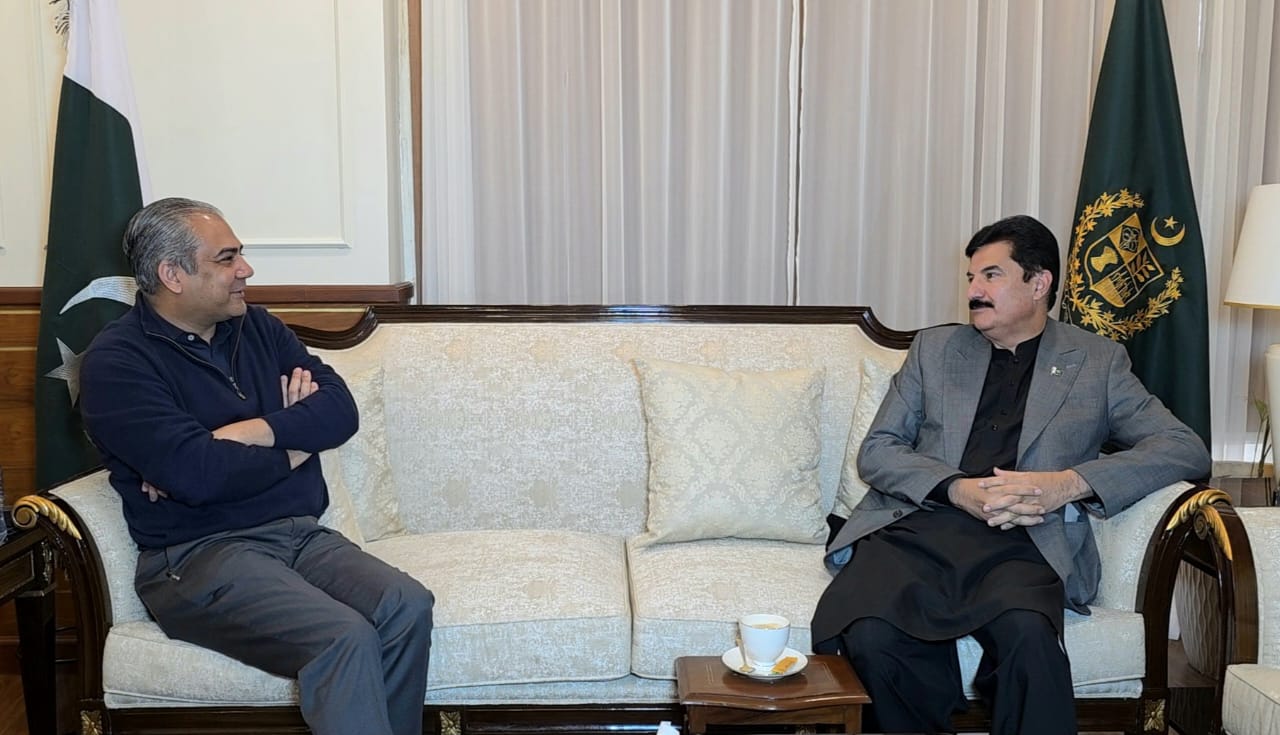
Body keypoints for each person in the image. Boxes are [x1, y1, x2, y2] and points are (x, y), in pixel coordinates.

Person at [809, 214, 1211, 735]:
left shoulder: (1096, 362)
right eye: (971, 278)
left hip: (1025, 540)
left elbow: (1184, 447)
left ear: (1038, 283)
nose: (973, 291)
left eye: (991, 276)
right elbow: (879, 451)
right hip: (923, 527)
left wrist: (1067, 484)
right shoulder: (935, 351)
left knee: (1029, 640)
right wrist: (956, 488)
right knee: (872, 636)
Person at [79, 197, 434, 735]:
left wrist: (245, 434)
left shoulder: (258, 327)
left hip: (299, 534)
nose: (246, 269)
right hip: (195, 556)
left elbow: (341, 411)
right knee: (342, 636)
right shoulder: (116, 362)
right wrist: (296, 442)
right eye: (227, 258)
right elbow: (199, 475)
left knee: (406, 604)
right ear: (172, 274)